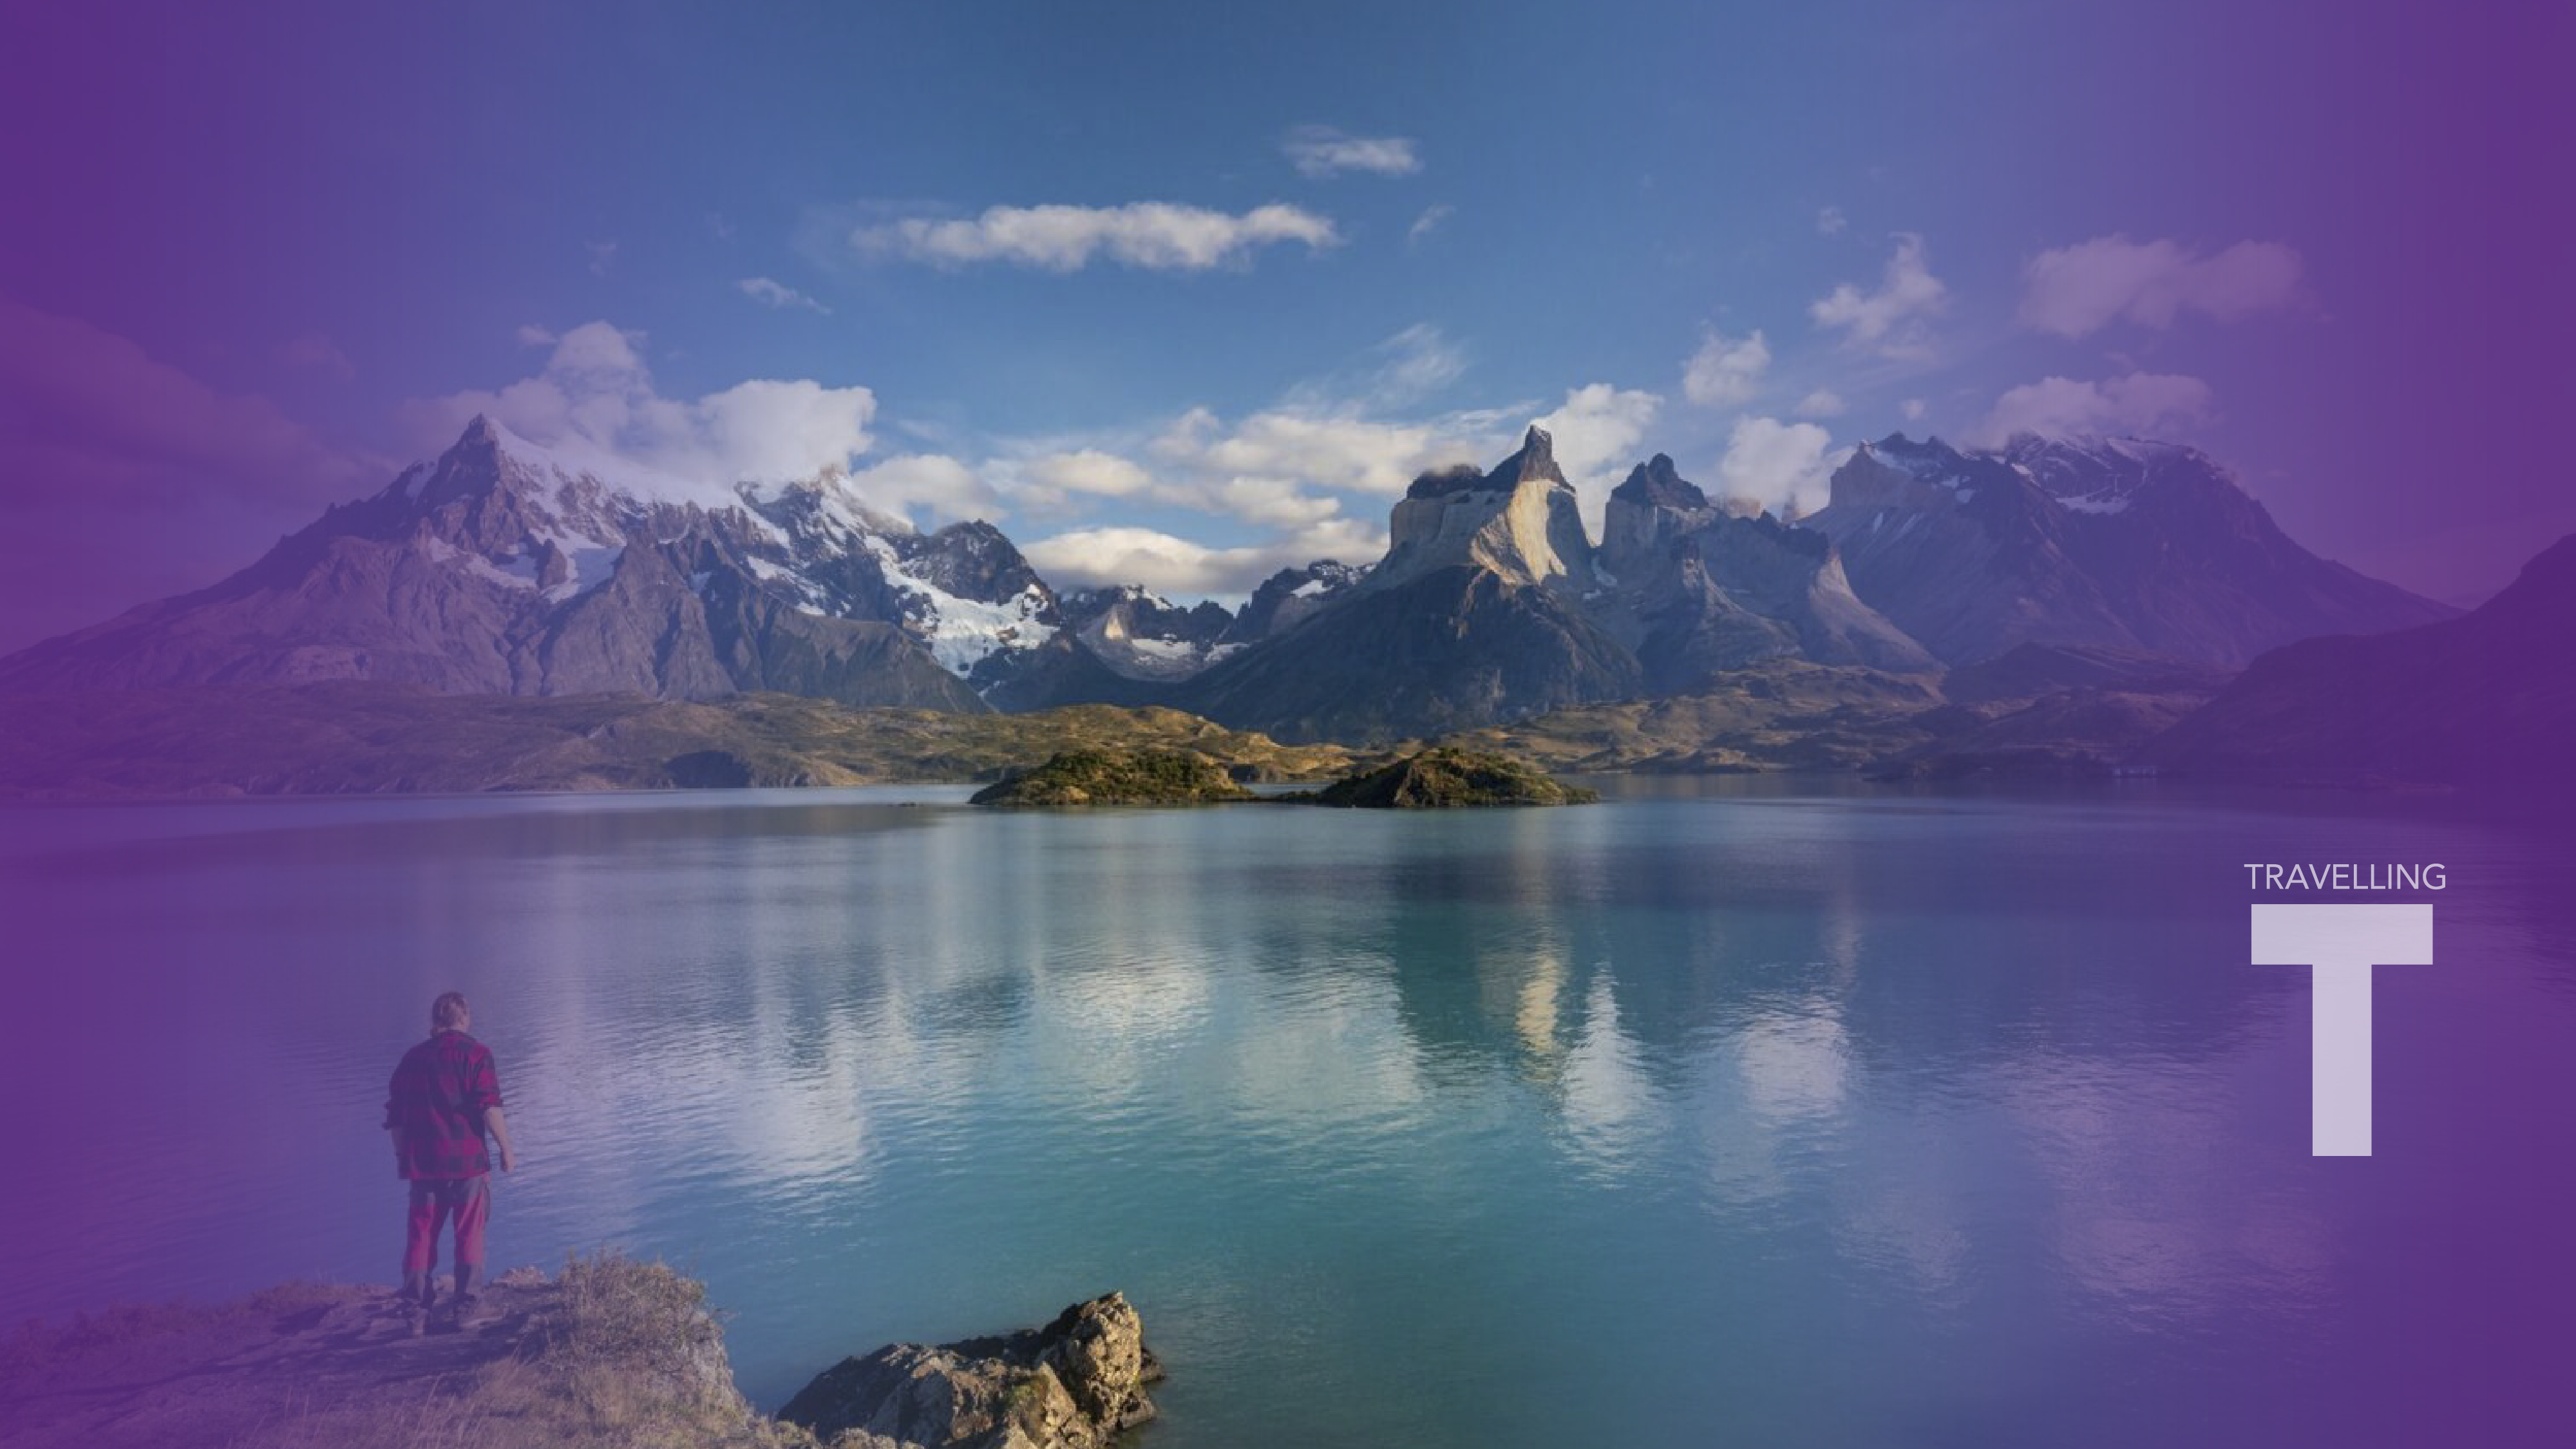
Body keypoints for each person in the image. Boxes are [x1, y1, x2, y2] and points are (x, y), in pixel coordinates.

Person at [383, 990, 516, 1334]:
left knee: (421, 1235)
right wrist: (506, 1148)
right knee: (468, 1232)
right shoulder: (477, 1055)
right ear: (465, 1018)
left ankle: (414, 1313)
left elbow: (395, 1120)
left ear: (435, 1021)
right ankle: (467, 1307)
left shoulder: (411, 1060)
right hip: (467, 1162)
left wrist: (402, 1157)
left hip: (423, 1165)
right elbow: (489, 1107)